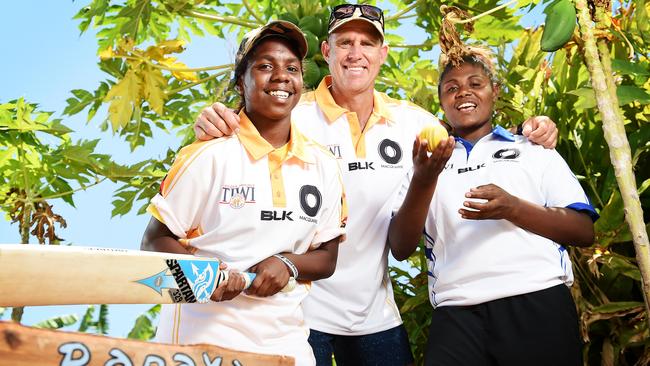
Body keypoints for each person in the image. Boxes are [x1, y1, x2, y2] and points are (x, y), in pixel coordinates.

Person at [193, 4, 559, 365]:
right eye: (345, 42)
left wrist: (529, 131)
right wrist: (212, 119)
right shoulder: (289, 114)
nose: (356, 53)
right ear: (326, 51)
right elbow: (232, 141)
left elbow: (468, 143)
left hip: (374, 315)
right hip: (295, 308)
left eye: (367, 44)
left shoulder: (413, 122)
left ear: (382, 54)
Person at [141, 20, 347, 365]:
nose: (281, 76)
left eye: (292, 68)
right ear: (242, 81)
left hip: (286, 341)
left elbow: (326, 258)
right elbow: (152, 242)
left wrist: (288, 264)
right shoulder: (207, 154)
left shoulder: (322, 164)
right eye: (265, 66)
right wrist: (205, 275)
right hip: (200, 341)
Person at [388, 46, 598, 366]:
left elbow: (583, 230)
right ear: (441, 101)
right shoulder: (426, 163)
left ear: (494, 91)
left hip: (537, 303)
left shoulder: (532, 149)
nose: (463, 93)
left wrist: (512, 208)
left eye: (476, 83)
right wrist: (424, 178)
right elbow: (400, 247)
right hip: (456, 314)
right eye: (452, 88)